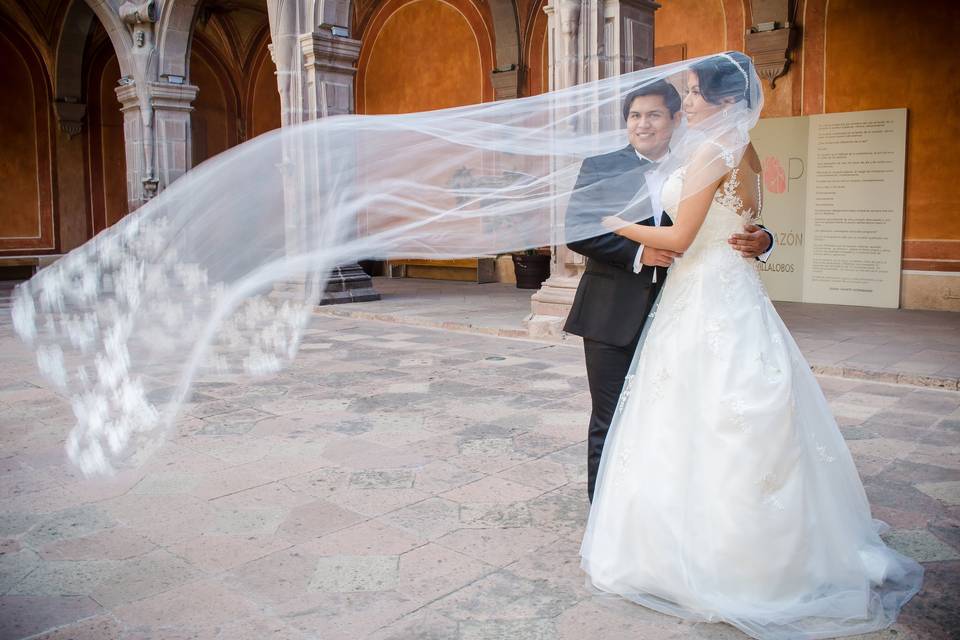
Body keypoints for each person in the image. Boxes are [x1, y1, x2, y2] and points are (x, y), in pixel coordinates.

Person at [579, 52, 922, 639]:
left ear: (722, 100)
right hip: (695, 299)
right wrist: (740, 234)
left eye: (687, 95)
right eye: (672, 100)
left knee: (706, 417)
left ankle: (709, 552)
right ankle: (635, 523)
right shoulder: (739, 147)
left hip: (703, 296)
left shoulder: (711, 149)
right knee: (674, 417)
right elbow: (739, 216)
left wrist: (619, 224)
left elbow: (690, 235)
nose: (678, 105)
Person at [562, 80, 774, 502]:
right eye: (635, 116)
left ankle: (662, 513)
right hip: (612, 313)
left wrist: (765, 239)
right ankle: (604, 517)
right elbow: (577, 231)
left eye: (655, 114)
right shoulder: (600, 166)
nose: (644, 125)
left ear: (676, 119)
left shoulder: (699, 157)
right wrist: (638, 252)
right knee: (611, 419)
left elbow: (732, 212)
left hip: (685, 312)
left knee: (674, 422)